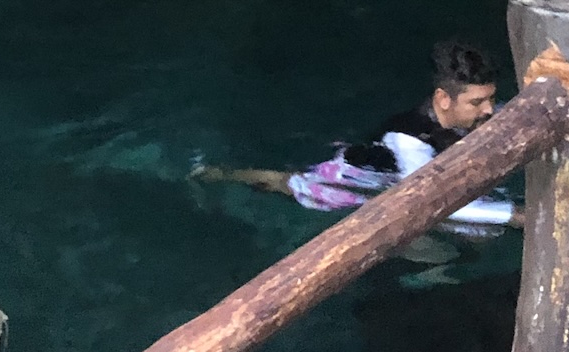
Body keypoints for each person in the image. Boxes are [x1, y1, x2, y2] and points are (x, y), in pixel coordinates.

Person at [196, 39, 521, 230]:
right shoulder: (409, 143)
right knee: (290, 184)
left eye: (491, 98)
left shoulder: (464, 118)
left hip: (383, 162)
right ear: (442, 99)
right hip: (356, 178)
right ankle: (217, 174)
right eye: (477, 102)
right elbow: (439, 203)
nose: (489, 110)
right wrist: (516, 216)